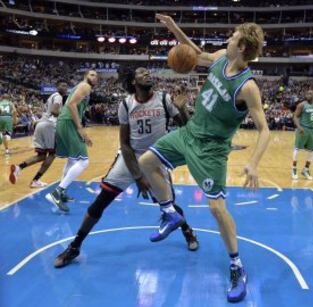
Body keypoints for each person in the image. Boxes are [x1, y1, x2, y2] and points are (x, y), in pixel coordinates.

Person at [138, 14, 270, 303]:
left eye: (234, 37)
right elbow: (198, 55)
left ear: (244, 47)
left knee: (217, 209)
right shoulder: (222, 57)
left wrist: (254, 163)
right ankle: (170, 212)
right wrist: (175, 30)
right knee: (147, 161)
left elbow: (264, 130)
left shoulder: (248, 87)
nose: (228, 38)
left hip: (211, 148)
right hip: (190, 132)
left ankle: (237, 266)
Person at [53, 67, 198, 268]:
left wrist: (182, 109)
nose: (147, 74)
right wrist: (138, 177)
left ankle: (187, 230)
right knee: (99, 203)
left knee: (169, 206)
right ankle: (74, 247)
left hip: (155, 157)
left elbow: (187, 129)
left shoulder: (164, 99)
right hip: (130, 157)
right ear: (132, 82)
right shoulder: (126, 104)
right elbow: (125, 144)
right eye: (141, 72)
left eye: (148, 72)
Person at [45, 70, 98, 212]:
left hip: (64, 122)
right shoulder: (85, 86)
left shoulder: (82, 87)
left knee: (72, 160)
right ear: (85, 76)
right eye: (92, 74)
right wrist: (80, 129)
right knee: (83, 161)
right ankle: (56, 192)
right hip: (69, 122)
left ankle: (61, 192)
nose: (95, 77)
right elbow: (72, 105)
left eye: (96, 75)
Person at [9, 80, 68, 188]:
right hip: (49, 126)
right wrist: (66, 114)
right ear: (57, 87)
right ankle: (35, 180)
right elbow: (55, 111)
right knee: (53, 154)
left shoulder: (51, 96)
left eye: (66, 86)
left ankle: (19, 167)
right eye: (62, 85)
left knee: (41, 156)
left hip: (40, 125)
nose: (65, 88)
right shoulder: (58, 96)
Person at [292, 89, 313, 180]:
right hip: (303, 129)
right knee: (297, 149)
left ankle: (306, 169)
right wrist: (299, 126)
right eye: (307, 93)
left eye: (311, 93)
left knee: (312, 151)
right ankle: (294, 169)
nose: (309, 95)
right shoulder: (301, 105)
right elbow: (295, 116)